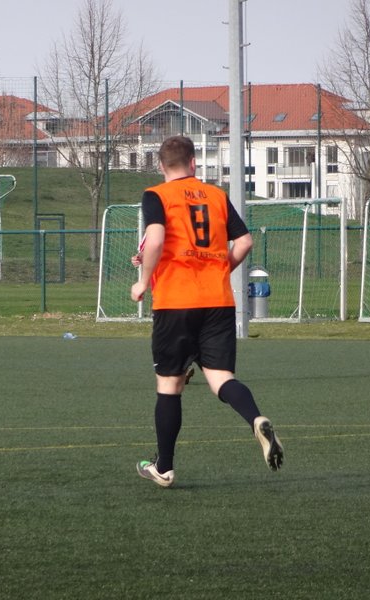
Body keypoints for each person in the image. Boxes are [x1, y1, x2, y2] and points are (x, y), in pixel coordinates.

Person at [130, 135, 283, 488]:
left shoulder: (156, 195)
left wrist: (143, 281)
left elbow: (156, 239)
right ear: (194, 163)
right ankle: (255, 419)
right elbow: (244, 242)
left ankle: (164, 467)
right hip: (218, 302)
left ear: (161, 165)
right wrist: (219, 270)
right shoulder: (216, 195)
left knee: (169, 385)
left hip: (175, 302)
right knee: (221, 379)